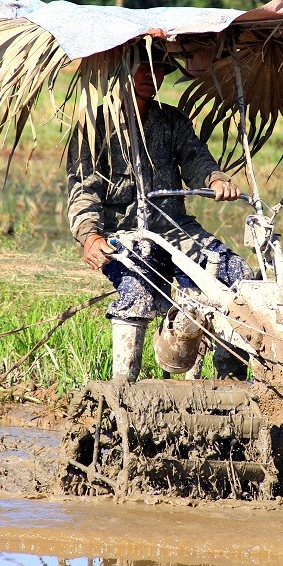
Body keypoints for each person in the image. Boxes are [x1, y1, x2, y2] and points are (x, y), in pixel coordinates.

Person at [66, 61, 253, 381]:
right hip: (122, 234)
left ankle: (230, 382)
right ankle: (123, 385)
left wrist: (215, 179)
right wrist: (90, 236)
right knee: (137, 290)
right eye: (141, 69)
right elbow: (82, 190)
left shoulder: (172, 120)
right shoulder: (93, 126)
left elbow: (197, 159)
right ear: (120, 71)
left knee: (237, 276)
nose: (150, 78)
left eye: (158, 71)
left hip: (175, 228)